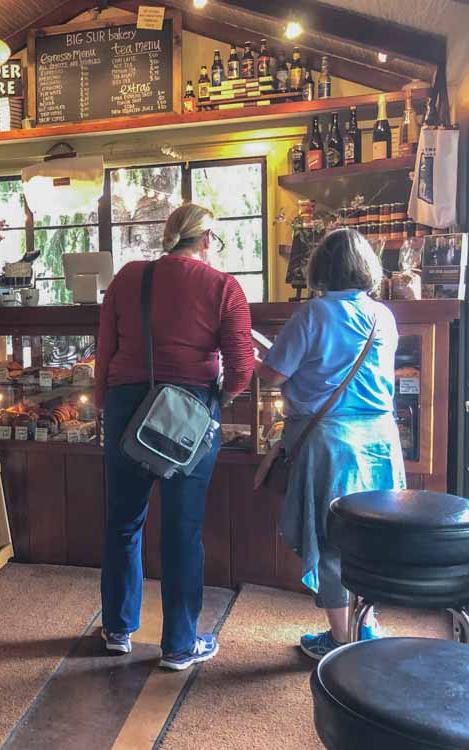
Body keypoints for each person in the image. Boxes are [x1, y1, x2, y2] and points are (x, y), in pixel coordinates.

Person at [95, 203, 253, 669]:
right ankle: (179, 646)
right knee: (182, 531)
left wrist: (107, 404)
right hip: (188, 412)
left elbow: (104, 349)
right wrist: (216, 402)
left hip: (127, 407)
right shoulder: (224, 287)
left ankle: (117, 629)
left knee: (123, 521)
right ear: (206, 240)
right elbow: (241, 367)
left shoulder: (127, 278)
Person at [256, 228, 405, 659]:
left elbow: (274, 375)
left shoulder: (312, 315)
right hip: (381, 439)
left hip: (331, 443)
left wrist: (252, 356)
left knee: (331, 540)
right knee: (371, 536)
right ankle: (368, 623)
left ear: (321, 268)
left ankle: (340, 641)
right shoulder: (384, 316)